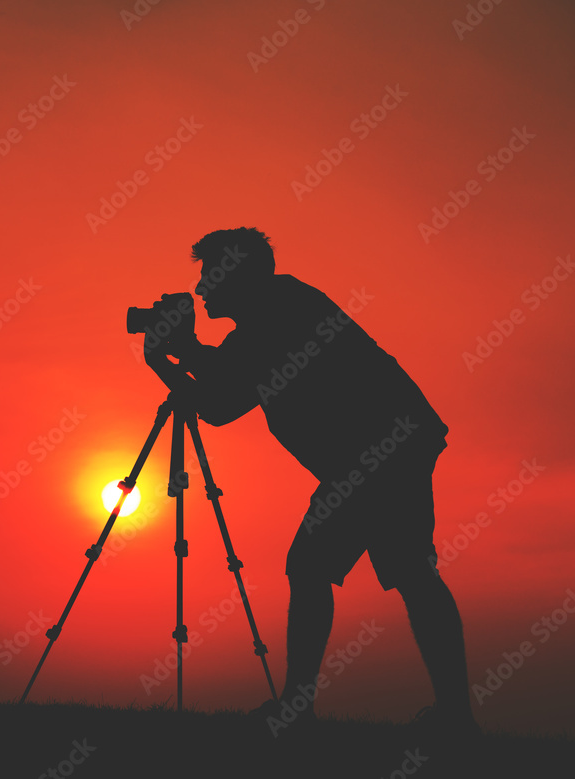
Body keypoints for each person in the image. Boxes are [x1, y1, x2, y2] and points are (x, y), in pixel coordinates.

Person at [142, 226, 478, 741]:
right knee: (404, 571)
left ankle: (302, 710)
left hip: (379, 451)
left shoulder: (279, 312)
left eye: (211, 275)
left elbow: (219, 398)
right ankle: (452, 716)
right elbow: (224, 397)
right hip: (386, 447)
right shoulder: (273, 312)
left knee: (326, 566)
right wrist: (178, 356)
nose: (203, 288)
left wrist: (173, 355)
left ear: (238, 274)